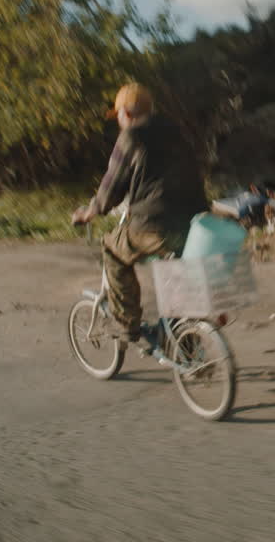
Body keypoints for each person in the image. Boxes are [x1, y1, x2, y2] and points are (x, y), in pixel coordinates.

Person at [72, 82, 208, 351]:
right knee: (176, 270)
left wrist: (90, 212)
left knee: (112, 250)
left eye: (119, 115)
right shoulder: (175, 131)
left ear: (126, 113)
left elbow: (111, 188)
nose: (119, 121)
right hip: (194, 222)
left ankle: (127, 324)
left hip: (153, 223)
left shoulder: (131, 136)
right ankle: (185, 343)